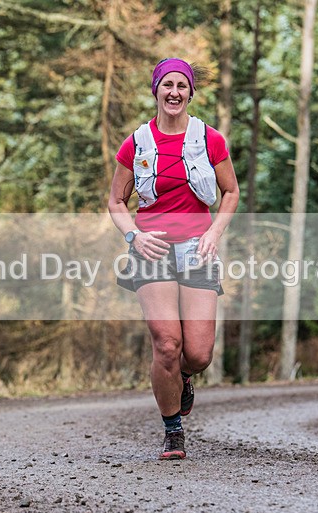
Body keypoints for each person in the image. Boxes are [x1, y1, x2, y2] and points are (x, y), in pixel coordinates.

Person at [107, 58, 240, 459]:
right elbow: (116, 201)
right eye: (167, 85)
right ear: (156, 90)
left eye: (182, 85)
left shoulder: (209, 139)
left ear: (190, 93)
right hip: (152, 250)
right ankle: (173, 429)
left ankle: (182, 378)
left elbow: (230, 192)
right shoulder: (136, 143)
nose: (175, 92)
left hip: (198, 247)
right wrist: (133, 235)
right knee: (167, 343)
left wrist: (215, 233)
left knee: (197, 353)